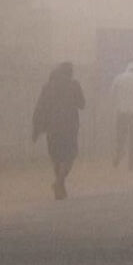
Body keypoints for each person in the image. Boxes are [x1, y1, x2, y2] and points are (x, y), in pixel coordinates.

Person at [32, 62, 85, 200]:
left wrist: (36, 128)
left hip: (52, 127)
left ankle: (60, 185)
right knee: (70, 155)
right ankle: (59, 182)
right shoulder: (74, 85)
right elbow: (82, 104)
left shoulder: (48, 87)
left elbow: (40, 107)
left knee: (56, 156)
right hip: (69, 126)